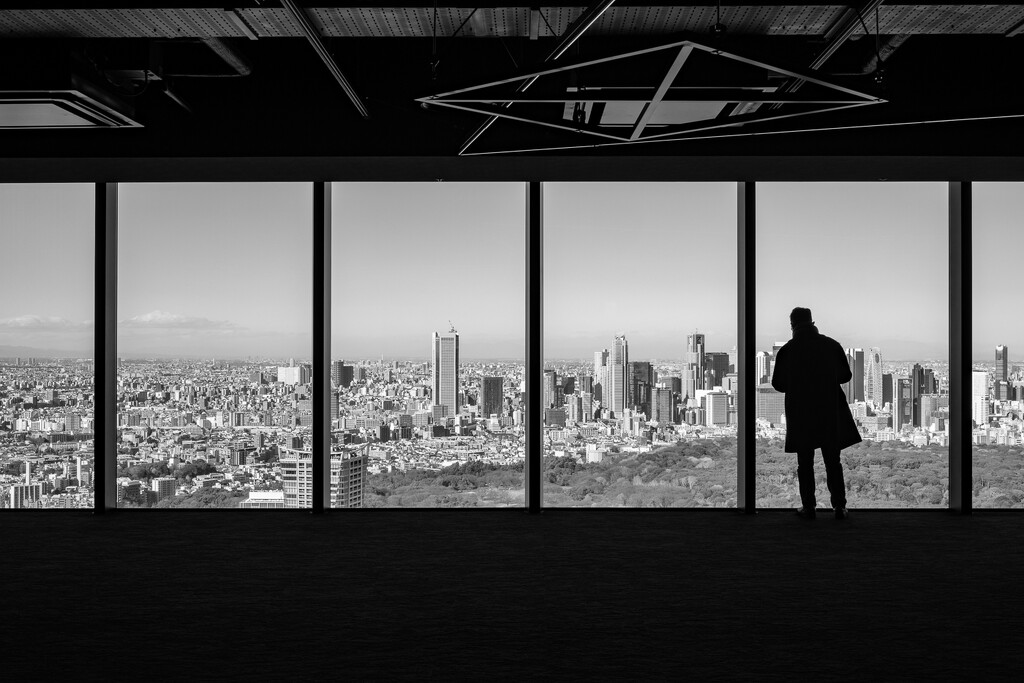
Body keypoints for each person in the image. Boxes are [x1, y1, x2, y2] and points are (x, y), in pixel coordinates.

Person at [770, 307, 861, 520]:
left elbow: (778, 384)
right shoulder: (831, 345)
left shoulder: (787, 350)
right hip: (829, 409)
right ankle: (839, 506)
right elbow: (845, 376)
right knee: (833, 460)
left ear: (792, 325)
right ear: (812, 322)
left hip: (801, 411)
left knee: (805, 462)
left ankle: (809, 507)